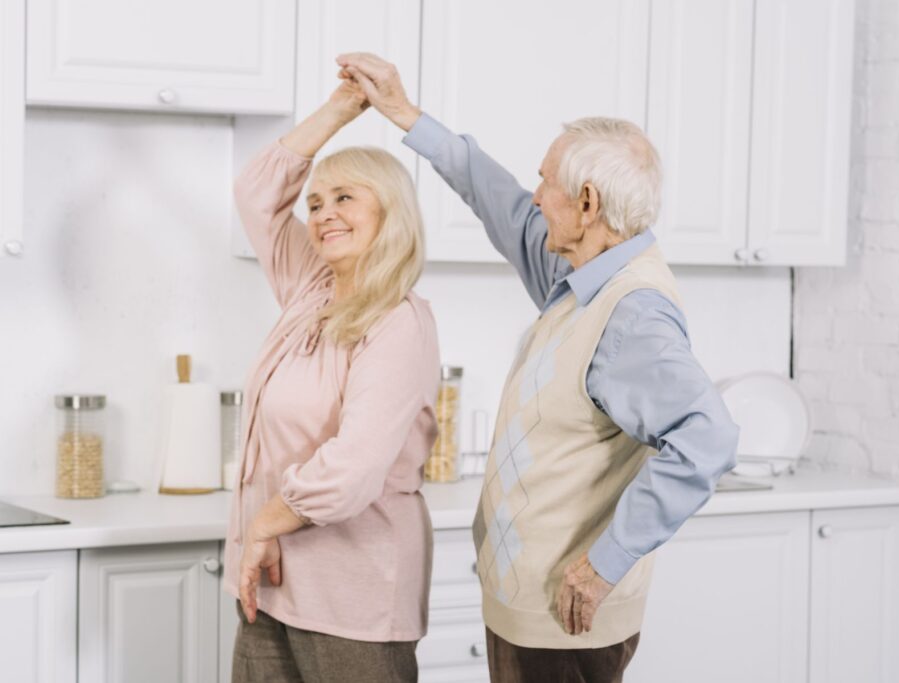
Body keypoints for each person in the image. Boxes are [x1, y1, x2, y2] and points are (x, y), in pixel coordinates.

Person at [339, 53, 741, 682]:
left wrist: (605, 562)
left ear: (585, 201)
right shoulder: (577, 273)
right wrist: (404, 114)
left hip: (564, 621)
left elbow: (708, 439)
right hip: (528, 608)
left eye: (546, 181)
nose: (534, 195)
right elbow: (499, 200)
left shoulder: (631, 314)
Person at [223, 72, 441, 682]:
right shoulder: (310, 287)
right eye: (316, 202)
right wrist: (341, 108)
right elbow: (256, 191)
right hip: (269, 582)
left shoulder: (399, 321)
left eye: (346, 198)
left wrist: (262, 523)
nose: (323, 214)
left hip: (355, 598)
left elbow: (351, 470)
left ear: (388, 211)